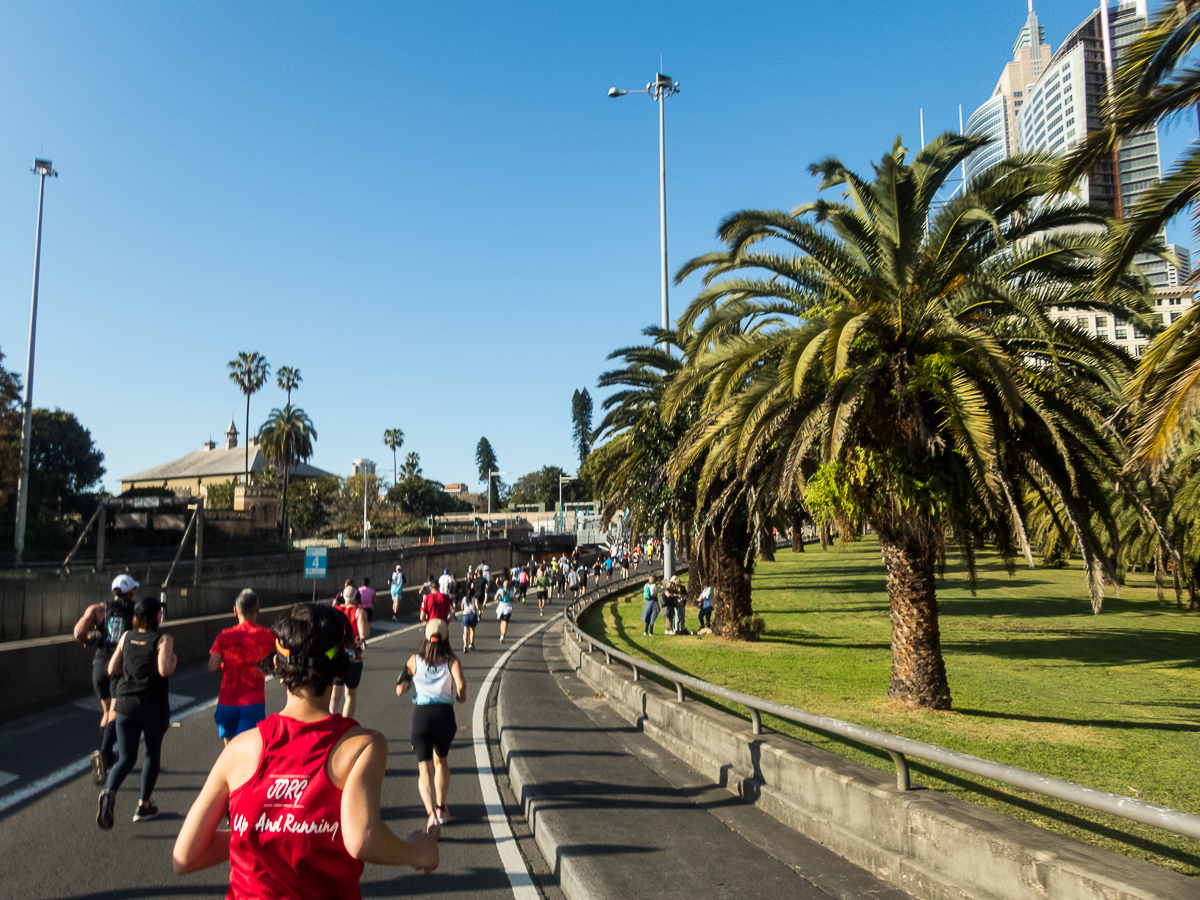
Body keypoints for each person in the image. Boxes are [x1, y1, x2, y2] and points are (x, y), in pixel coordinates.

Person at [173, 602, 438, 893]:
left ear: (277, 664)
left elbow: (185, 857)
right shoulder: (362, 746)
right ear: (339, 667)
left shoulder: (239, 748)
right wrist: (417, 851)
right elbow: (362, 838)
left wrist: (262, 831)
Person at [97, 595, 177, 828]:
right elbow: (164, 670)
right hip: (153, 707)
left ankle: (110, 792)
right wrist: (173, 660)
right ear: (157, 617)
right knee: (151, 753)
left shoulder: (126, 636)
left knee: (126, 758)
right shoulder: (163, 639)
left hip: (125, 705)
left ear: (136, 617)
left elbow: (112, 668)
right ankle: (144, 805)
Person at [396, 619, 466, 835]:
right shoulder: (452, 660)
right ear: (446, 638)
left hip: (422, 716)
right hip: (445, 715)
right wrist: (459, 697)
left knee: (423, 767)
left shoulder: (414, 660)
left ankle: (430, 815)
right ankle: (441, 807)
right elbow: (461, 688)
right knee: (441, 761)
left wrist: (409, 678)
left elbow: (400, 689)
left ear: (426, 638)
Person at [74, 574, 138, 785]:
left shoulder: (98, 609)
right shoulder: (135, 610)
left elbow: (78, 632)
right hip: (118, 666)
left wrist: (89, 639)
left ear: (112, 591)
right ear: (130, 592)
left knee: (106, 710)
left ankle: (108, 757)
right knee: (115, 712)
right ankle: (103, 754)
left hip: (99, 665)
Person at [209, 589, 275, 745]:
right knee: (247, 749)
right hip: (253, 702)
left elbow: (212, 667)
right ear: (258, 609)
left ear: (235, 610)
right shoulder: (268, 635)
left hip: (227, 700)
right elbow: (281, 658)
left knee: (229, 748)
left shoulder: (224, 635)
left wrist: (228, 668)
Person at [331, 586, 369, 719]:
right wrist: (362, 637)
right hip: (355, 658)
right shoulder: (359, 612)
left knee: (335, 695)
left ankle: (330, 724)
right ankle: (345, 726)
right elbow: (363, 632)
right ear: (357, 597)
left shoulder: (335, 611)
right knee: (350, 695)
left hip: (336, 656)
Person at [460, 586, 478, 653]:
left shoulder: (464, 598)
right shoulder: (475, 599)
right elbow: (477, 606)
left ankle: (465, 645)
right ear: (473, 593)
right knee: (472, 630)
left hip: (465, 615)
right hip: (472, 615)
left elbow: (462, 607)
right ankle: (471, 643)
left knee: (465, 632)